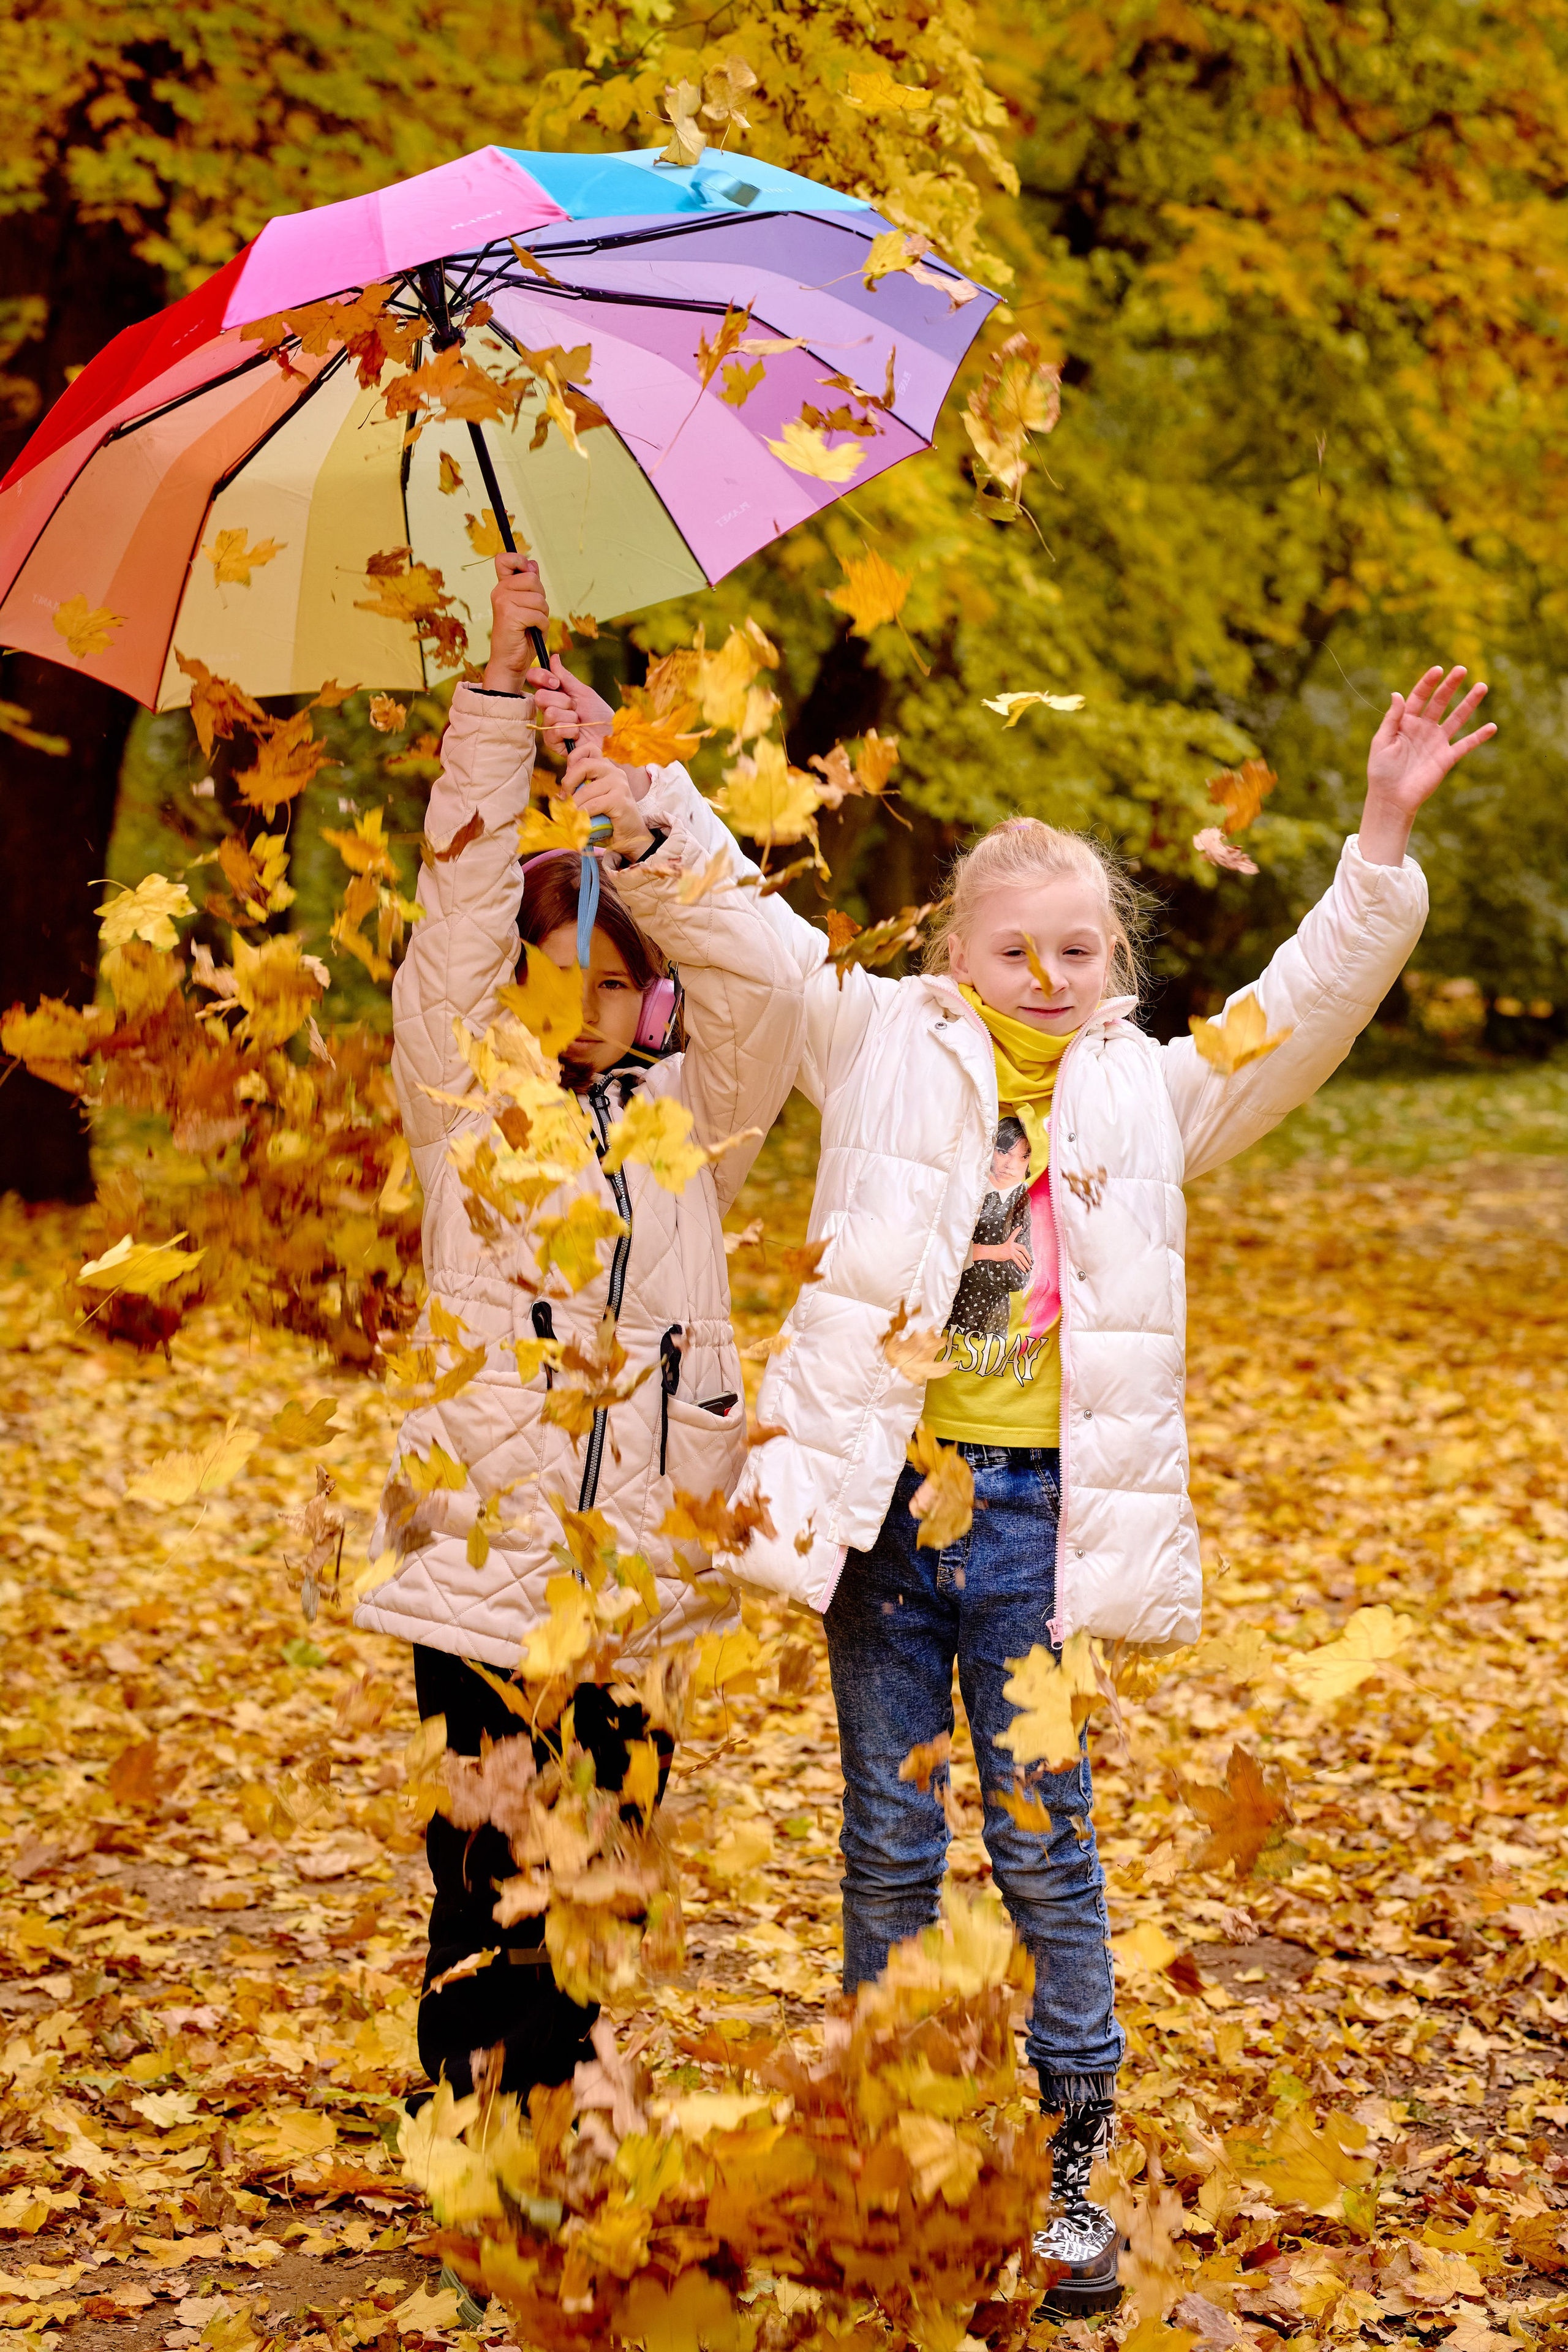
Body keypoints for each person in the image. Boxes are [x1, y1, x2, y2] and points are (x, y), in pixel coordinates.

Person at [535, 656, 1494, 2309]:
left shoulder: (1157, 1092)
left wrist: (1381, 837)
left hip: (1045, 1536)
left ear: (1111, 962)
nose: (1045, 975)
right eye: (1012, 949)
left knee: (1049, 1852)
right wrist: (628, 776)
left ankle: (1069, 2170)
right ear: (949, 953)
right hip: (885, 1526)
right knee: (890, 1850)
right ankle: (882, 2147)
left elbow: (1309, 997)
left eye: (1076, 950)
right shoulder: (872, 1042)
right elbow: (739, 919)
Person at [356, 554, 804, 2102]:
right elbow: (455, 925)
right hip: (487, 1557)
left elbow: (765, 982)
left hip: (640, 1563)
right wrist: (493, 696)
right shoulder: (460, 1103)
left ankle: (572, 2102)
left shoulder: (699, 1119)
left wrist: (636, 793)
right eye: (554, 976)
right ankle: (478, 2120)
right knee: (487, 1864)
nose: (584, 1002)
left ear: (646, 998)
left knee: (605, 1860)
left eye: (613, 977)